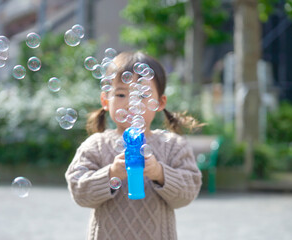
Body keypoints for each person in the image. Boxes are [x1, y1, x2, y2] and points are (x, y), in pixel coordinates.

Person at [65, 51, 202, 240]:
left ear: (160, 102)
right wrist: (111, 173)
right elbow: (79, 191)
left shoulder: (173, 145)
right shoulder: (96, 145)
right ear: (105, 100)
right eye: (121, 94)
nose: (131, 103)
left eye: (143, 95)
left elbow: (188, 192)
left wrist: (159, 173)